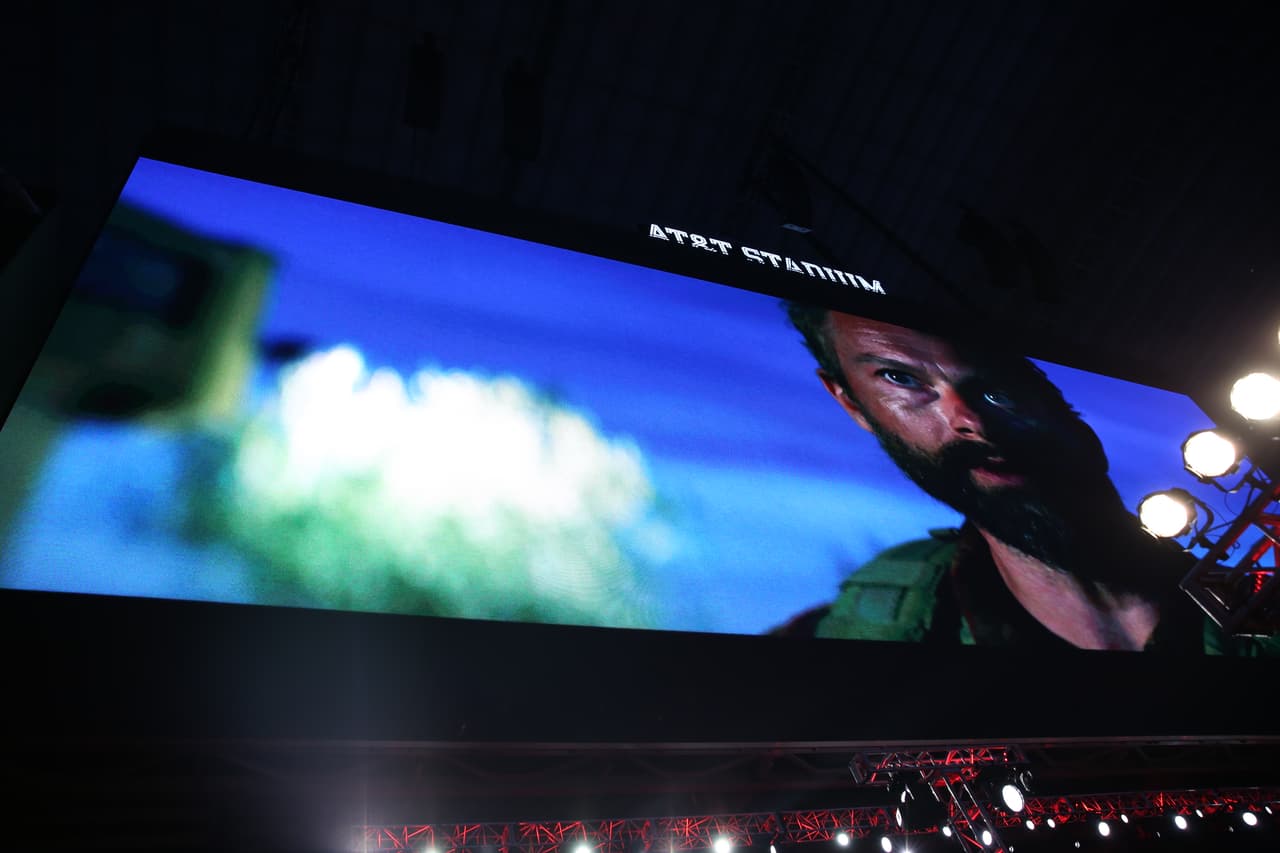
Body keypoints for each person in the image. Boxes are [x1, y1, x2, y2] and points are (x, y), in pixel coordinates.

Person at [777, 301, 1274, 654]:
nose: (970, 418)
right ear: (847, 399)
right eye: (902, 378)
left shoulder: (1250, 599)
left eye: (990, 379)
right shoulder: (877, 621)